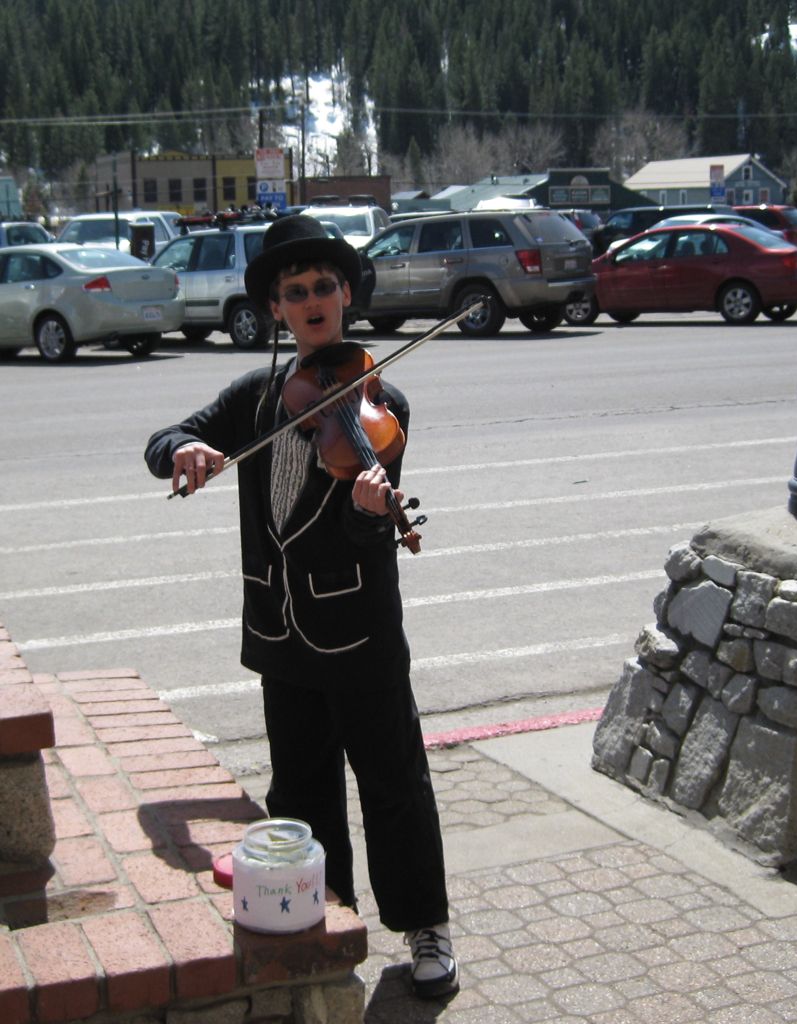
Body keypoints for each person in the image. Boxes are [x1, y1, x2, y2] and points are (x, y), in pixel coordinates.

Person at [144, 215, 458, 999]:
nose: (313, 299)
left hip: (358, 632)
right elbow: (165, 437)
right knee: (301, 790)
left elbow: (365, 535)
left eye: (324, 286)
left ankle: (425, 925)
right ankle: (330, 911)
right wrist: (180, 451)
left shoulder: (383, 402)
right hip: (279, 633)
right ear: (277, 308)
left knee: (393, 784)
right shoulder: (254, 398)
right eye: (296, 291)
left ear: (346, 295)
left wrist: (365, 507)